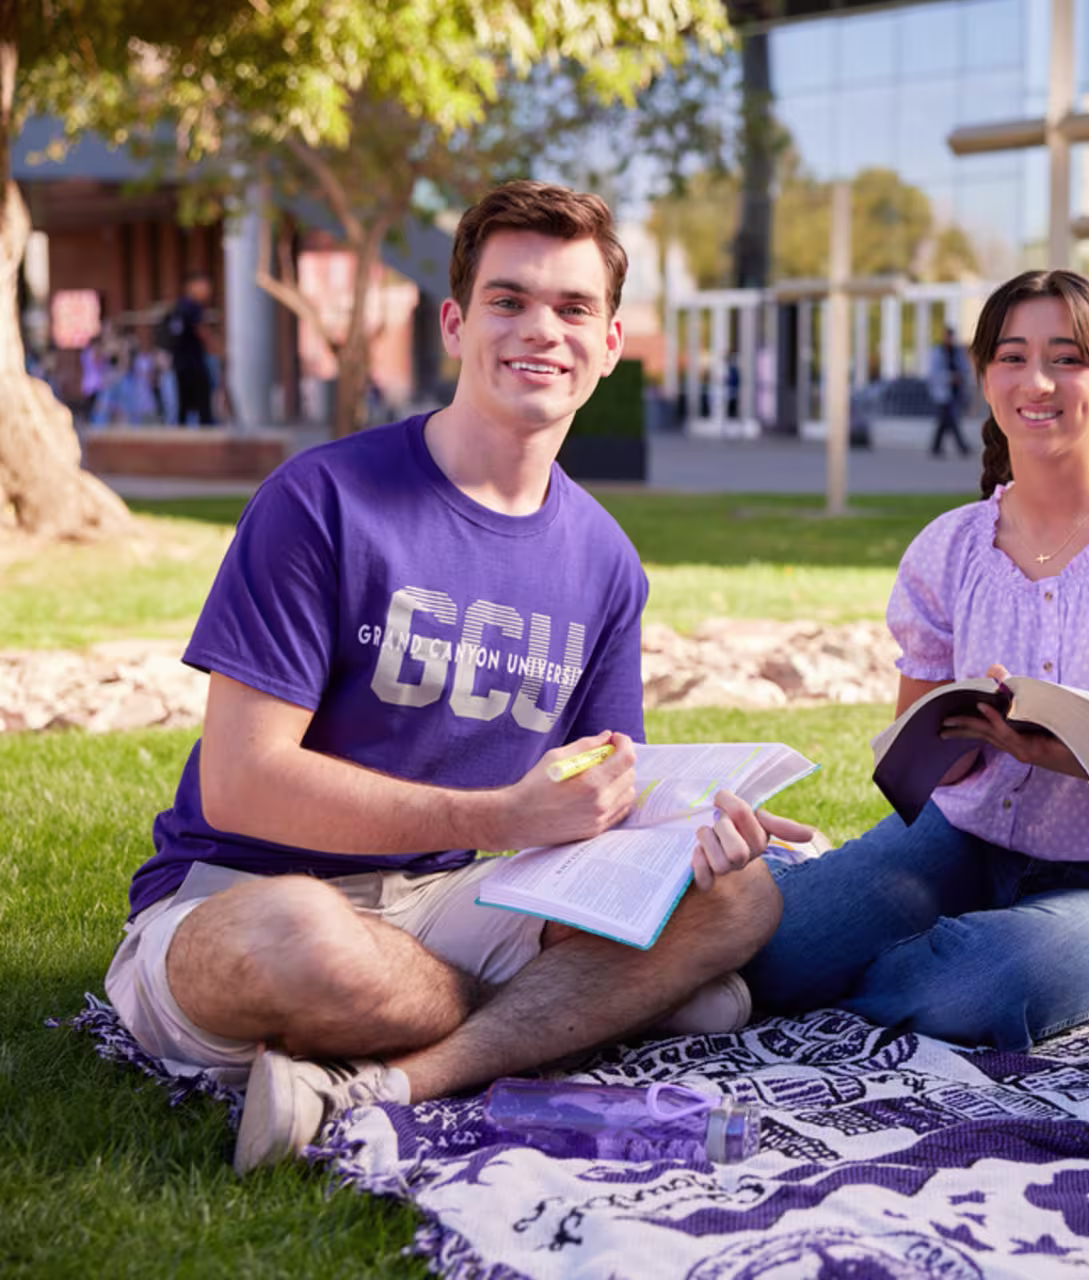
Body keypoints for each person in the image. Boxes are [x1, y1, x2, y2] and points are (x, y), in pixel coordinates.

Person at [104, 181, 810, 1176]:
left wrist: (693, 821)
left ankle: (391, 1083)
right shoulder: (324, 498)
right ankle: (580, 1019)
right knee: (303, 935)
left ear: (611, 343)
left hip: (461, 899)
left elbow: (605, 781)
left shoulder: (606, 560)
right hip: (248, 890)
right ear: (456, 322)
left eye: (572, 308)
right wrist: (503, 824)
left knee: (744, 902)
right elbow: (242, 780)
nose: (541, 331)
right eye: (509, 300)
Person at [742, 269, 1089, 1051]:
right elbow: (921, 765)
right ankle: (841, 922)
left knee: (976, 990)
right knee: (775, 957)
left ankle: (918, 951)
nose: (1037, 382)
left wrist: (1077, 751)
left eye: (1068, 358)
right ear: (986, 379)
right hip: (958, 842)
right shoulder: (948, 550)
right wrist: (958, 731)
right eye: (1012, 357)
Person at [163, 271, 218, 426]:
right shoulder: (193, 307)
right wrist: (216, 349)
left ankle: (182, 433)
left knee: (183, 404)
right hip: (194, 363)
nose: (208, 290)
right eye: (204, 286)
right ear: (192, 287)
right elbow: (202, 332)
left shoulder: (178, 307)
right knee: (203, 403)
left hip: (179, 364)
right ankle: (205, 434)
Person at [926, 324, 970, 457]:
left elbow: (964, 367)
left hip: (955, 391)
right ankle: (962, 447)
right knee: (950, 419)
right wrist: (951, 377)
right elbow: (935, 373)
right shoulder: (938, 352)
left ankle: (936, 447)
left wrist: (961, 377)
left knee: (945, 421)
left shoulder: (957, 352)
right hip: (942, 391)